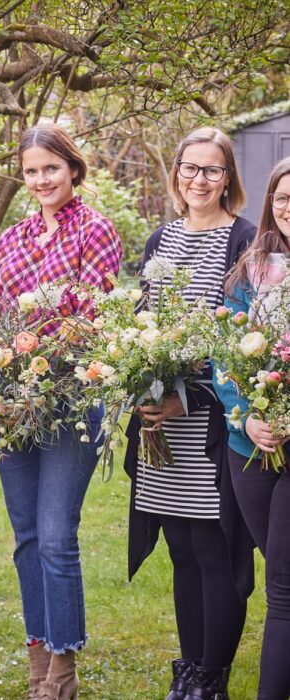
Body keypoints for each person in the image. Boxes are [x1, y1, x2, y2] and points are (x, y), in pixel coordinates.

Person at [0, 124, 122, 700]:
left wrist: (25, 349)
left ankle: (64, 663)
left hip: (70, 402)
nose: (41, 180)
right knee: (27, 536)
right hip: (9, 404)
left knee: (58, 535)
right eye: (32, 171)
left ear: (73, 170)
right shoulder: (12, 239)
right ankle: (37, 654)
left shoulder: (97, 231)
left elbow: (87, 318)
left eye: (51, 169)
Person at [124, 127, 256, 700]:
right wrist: (141, 381)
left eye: (212, 170)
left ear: (228, 178)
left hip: (212, 424)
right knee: (179, 549)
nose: (198, 180)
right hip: (162, 425)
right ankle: (188, 671)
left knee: (214, 551)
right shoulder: (161, 239)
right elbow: (143, 318)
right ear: (176, 172)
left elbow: (243, 339)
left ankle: (213, 677)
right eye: (189, 168)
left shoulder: (245, 240)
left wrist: (190, 395)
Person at [214, 156, 290, 700]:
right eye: (284, 198)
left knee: (284, 587)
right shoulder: (252, 268)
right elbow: (225, 358)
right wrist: (252, 414)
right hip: (251, 447)